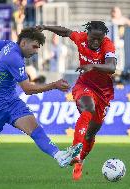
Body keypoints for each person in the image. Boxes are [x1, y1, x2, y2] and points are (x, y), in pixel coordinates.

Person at [0, 27, 82, 180]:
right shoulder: (14, 58)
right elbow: (27, 89)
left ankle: (59, 155)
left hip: (11, 102)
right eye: (34, 46)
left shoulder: (8, 45)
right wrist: (53, 85)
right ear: (23, 42)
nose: (35, 51)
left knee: (35, 129)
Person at [37, 21, 117, 180]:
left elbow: (112, 67)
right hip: (84, 85)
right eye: (93, 38)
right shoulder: (80, 38)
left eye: (99, 39)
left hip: (104, 93)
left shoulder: (108, 45)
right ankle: (74, 150)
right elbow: (65, 32)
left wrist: (92, 66)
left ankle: (80, 160)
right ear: (87, 35)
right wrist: (46, 27)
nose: (95, 42)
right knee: (88, 109)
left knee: (90, 134)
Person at [110, 6, 130, 74]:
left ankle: (119, 77)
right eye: (117, 12)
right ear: (113, 13)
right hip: (111, 47)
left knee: (120, 65)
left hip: (120, 45)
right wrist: (122, 20)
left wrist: (125, 20)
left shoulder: (122, 20)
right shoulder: (111, 21)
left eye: (119, 12)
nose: (119, 14)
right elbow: (114, 21)